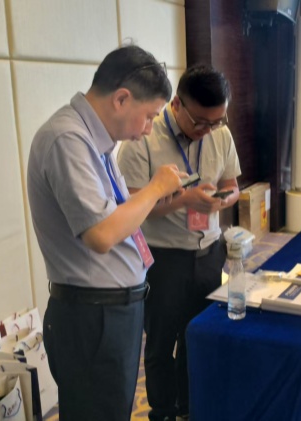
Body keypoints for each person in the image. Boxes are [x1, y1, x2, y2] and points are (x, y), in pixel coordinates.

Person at [26, 45, 186, 421]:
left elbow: (115, 215)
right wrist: (155, 188)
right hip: (91, 317)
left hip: (110, 312)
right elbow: (100, 234)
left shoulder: (96, 142)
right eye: (149, 116)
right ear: (121, 99)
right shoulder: (67, 139)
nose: (148, 129)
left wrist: (153, 196)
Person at [117, 64, 241, 421]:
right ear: (176, 104)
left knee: (197, 335)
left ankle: (190, 408)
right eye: (200, 122)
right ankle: (162, 412)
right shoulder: (143, 137)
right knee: (160, 343)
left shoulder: (220, 134)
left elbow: (233, 187)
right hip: (163, 258)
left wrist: (221, 201)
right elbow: (133, 209)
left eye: (216, 121)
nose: (208, 130)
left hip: (208, 252)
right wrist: (184, 200)